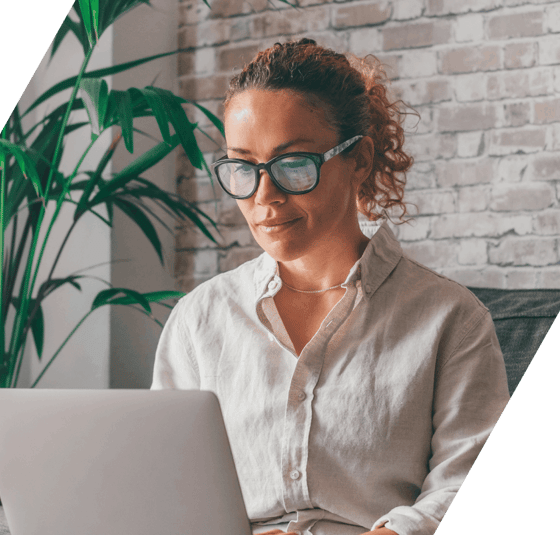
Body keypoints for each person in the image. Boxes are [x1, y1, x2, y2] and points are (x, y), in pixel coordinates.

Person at [151, 39, 509, 535]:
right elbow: (166, 485)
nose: (264, 196)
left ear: (358, 160)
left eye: (294, 164)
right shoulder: (199, 320)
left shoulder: (450, 318)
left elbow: (465, 482)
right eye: (242, 168)